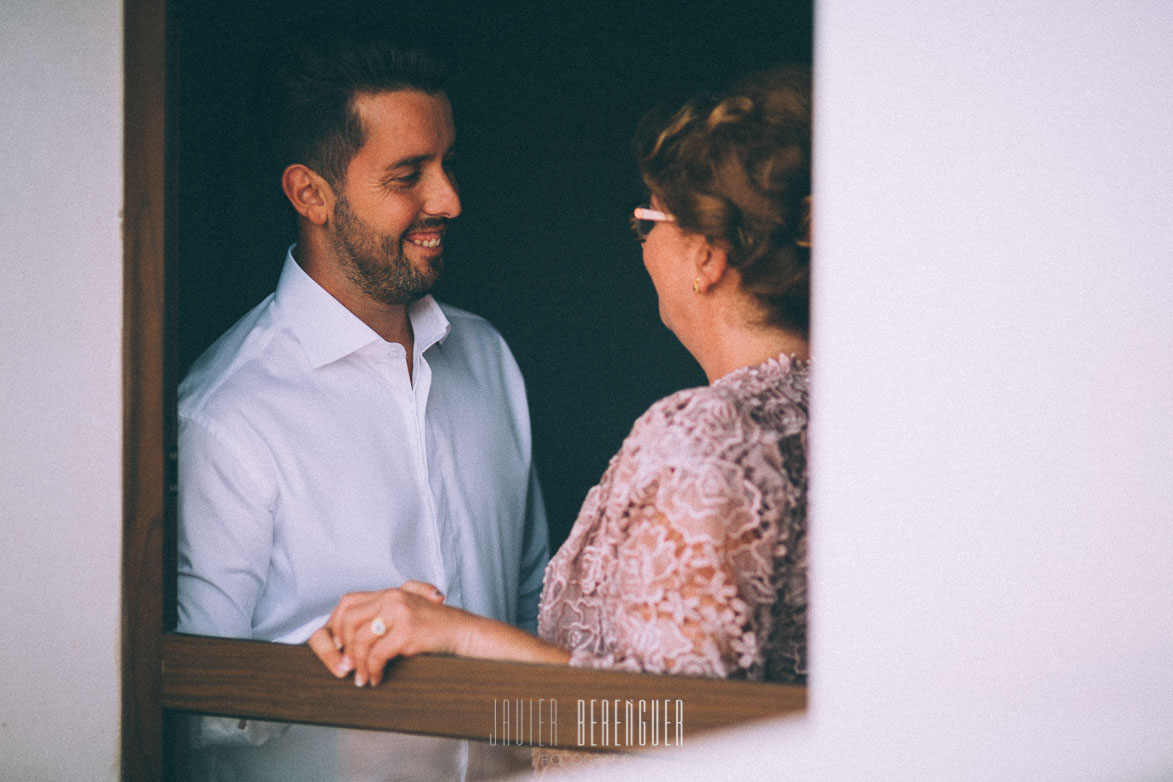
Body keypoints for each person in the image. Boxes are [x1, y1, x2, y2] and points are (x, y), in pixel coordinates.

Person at [310, 65, 811, 688]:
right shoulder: (843, 413)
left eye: (646, 223)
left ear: (705, 257)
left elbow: (676, 718)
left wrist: (456, 633)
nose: (643, 249)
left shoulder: (707, 436)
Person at [176, 28, 547, 780]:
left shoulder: (487, 358)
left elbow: (535, 599)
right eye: (408, 173)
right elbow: (191, 705)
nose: (449, 198)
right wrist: (323, 671)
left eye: (447, 163)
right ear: (311, 193)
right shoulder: (226, 414)